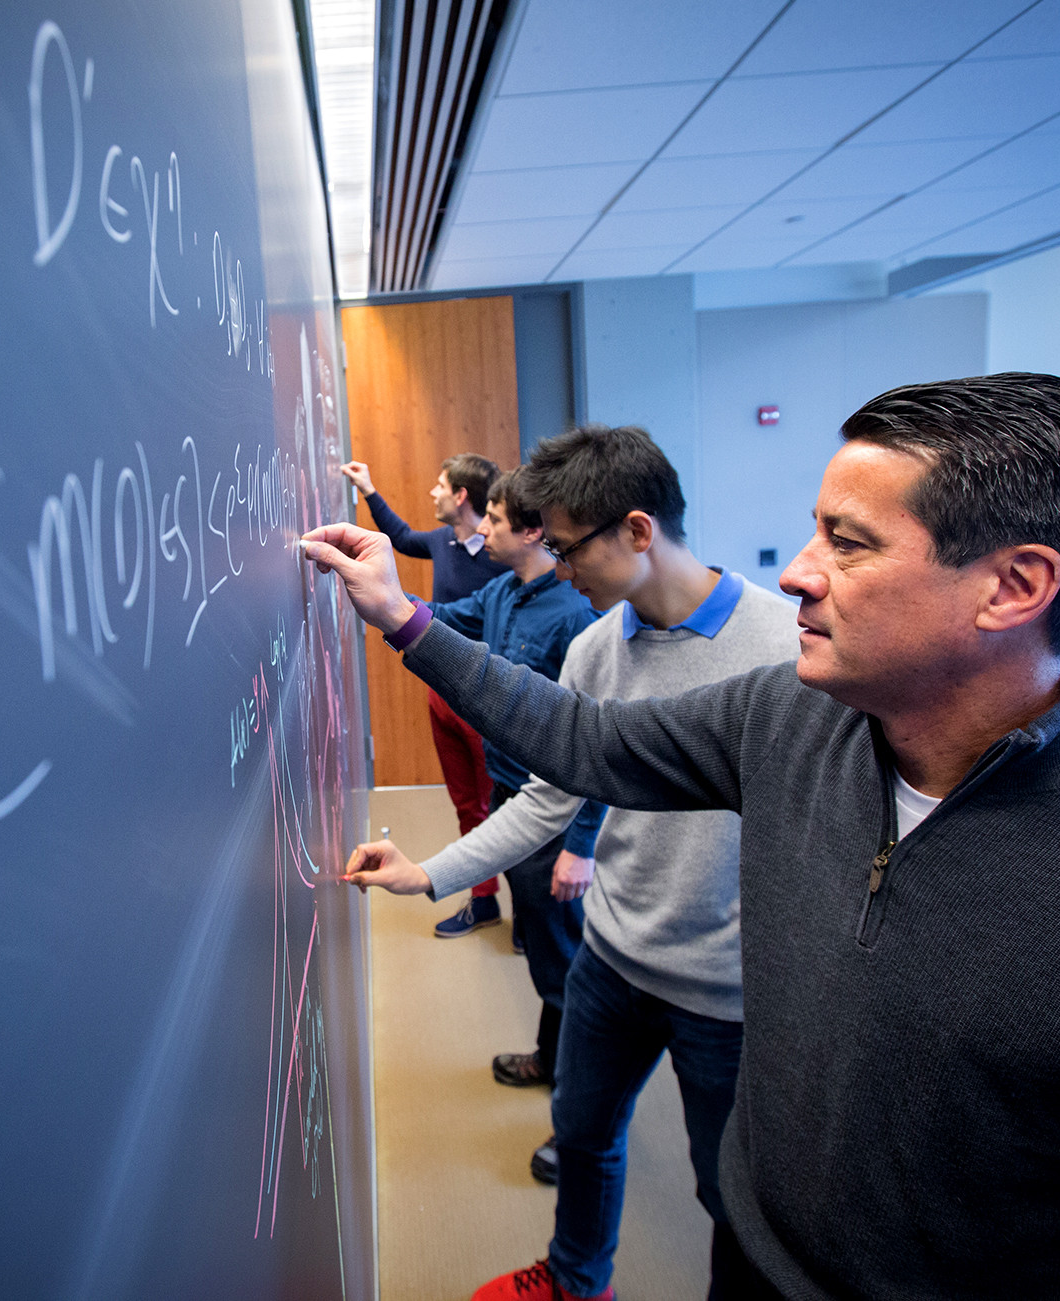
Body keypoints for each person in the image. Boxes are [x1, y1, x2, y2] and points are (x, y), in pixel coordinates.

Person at [308, 374, 1060, 1300]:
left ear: (1012, 586)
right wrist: (402, 619)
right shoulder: (783, 716)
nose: (795, 572)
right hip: (751, 1262)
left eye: (846, 542)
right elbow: (581, 740)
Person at [345, 426, 799, 1300]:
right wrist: (431, 871)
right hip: (614, 962)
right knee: (582, 1134)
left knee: (730, 1196)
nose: (553, 562)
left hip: (729, 995)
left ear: (637, 530)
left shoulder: (785, 652)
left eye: (564, 543)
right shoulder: (597, 647)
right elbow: (550, 798)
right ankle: (576, 1279)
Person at [424, 467, 606, 1099]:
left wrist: (581, 845)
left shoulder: (575, 618)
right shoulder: (502, 593)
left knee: (562, 959)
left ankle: (570, 1079)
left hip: (552, 815)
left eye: (496, 521)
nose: (486, 531)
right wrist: (379, 594)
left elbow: (595, 746)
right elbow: (441, 616)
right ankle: (555, 1060)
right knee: (546, 944)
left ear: (532, 532)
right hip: (513, 795)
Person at [340, 453, 510, 935]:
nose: (433, 493)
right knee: (466, 803)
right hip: (444, 693)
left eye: (440, 485)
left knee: (501, 802)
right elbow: (402, 537)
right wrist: (369, 489)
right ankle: (484, 900)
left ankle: (534, 912)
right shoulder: (442, 541)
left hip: (485, 695)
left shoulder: (502, 561)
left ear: (461, 496)